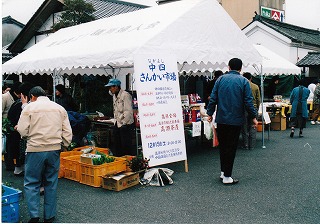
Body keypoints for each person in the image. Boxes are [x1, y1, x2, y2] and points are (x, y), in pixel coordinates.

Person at [16, 86, 72, 223]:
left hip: (35, 149)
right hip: (54, 149)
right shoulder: (59, 108)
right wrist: (63, 146)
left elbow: (23, 130)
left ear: (32, 96)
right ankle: (50, 216)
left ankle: (34, 216)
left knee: (32, 182)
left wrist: (28, 137)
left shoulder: (29, 108)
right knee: (51, 183)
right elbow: (67, 133)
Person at [207, 58, 258, 185]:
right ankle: (227, 177)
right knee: (231, 147)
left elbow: (213, 98)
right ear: (241, 69)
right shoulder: (244, 81)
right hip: (235, 119)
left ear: (228, 67)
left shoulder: (220, 80)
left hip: (222, 118)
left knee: (223, 146)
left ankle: (223, 172)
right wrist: (253, 116)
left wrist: (209, 113)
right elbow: (248, 101)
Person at [6, 82, 35, 175]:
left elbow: (10, 118)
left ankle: (19, 168)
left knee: (19, 152)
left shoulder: (16, 104)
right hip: (20, 134)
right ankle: (19, 169)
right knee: (21, 152)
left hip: (16, 134)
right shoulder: (24, 105)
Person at [105, 78, 134, 156]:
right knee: (117, 145)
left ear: (116, 87)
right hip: (117, 123)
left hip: (126, 124)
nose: (110, 89)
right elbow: (116, 110)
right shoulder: (114, 96)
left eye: (111, 87)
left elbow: (128, 111)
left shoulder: (125, 95)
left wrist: (124, 123)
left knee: (126, 146)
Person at [241, 72, 261, 149]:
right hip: (254, 108)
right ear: (251, 78)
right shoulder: (255, 86)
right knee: (253, 127)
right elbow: (258, 99)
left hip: (244, 108)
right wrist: (257, 108)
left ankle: (245, 144)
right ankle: (252, 145)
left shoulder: (242, 86)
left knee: (244, 127)